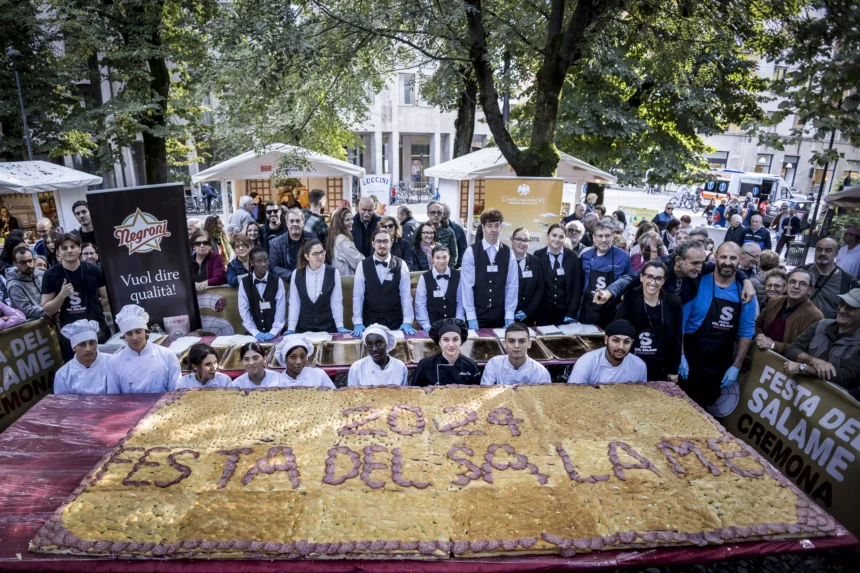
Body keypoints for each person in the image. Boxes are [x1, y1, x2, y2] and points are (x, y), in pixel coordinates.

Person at [680, 242, 756, 409]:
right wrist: (680, 355)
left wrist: (736, 366)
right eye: (723, 257)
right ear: (715, 257)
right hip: (691, 356)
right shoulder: (698, 282)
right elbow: (681, 322)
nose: (727, 262)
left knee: (703, 410)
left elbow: (746, 331)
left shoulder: (746, 293)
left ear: (740, 259)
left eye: (733, 258)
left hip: (719, 362)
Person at [598, 239, 756, 308]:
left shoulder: (699, 267)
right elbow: (629, 278)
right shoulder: (660, 266)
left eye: (701, 263)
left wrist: (746, 281)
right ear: (679, 261)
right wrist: (609, 292)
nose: (700, 268)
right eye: (695, 263)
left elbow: (724, 266)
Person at [40, 233, 109, 359]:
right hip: (70, 333)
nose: (69, 250)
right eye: (64, 248)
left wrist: (92, 307)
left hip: (97, 329)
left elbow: (106, 297)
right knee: (78, 373)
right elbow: (48, 309)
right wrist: (62, 295)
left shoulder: (94, 270)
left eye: (73, 246)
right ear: (58, 253)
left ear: (80, 249)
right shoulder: (50, 275)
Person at [783, 289, 860, 398]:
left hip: (834, 404)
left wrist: (805, 368)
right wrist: (813, 361)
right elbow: (792, 349)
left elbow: (847, 377)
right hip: (802, 393)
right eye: (841, 304)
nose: (842, 310)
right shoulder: (821, 325)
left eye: (850, 308)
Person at [614, 261, 683, 382]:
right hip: (631, 361)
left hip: (660, 365)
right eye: (649, 276)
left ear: (663, 281)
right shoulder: (630, 298)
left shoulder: (674, 302)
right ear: (641, 277)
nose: (653, 282)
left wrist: (673, 369)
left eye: (658, 278)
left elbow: (676, 338)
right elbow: (619, 329)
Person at [461, 209, 518, 329]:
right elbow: (467, 286)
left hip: (500, 313)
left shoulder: (509, 253)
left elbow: (511, 286)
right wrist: (471, 316)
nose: (493, 229)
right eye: (489, 226)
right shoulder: (471, 252)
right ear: (483, 227)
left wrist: (509, 314)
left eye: (496, 225)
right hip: (477, 312)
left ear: (501, 227)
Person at [352, 229, 415, 334]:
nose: (382, 245)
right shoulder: (362, 265)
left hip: (395, 322)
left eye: (385, 241)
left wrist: (407, 320)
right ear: (373, 243)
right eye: (378, 241)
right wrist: (357, 322)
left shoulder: (401, 264)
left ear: (391, 243)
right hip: (370, 322)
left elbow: (406, 296)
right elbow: (358, 296)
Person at [107, 305, 181, 393]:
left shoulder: (167, 355)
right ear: (123, 336)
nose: (134, 337)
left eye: (138, 332)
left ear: (146, 331)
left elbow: (176, 392)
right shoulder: (114, 361)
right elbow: (113, 397)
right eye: (129, 334)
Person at [754, 268, 823, 355]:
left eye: (803, 284)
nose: (796, 286)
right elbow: (757, 325)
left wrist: (774, 345)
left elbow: (806, 349)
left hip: (786, 364)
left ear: (810, 290)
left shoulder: (815, 316)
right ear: (786, 285)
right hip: (760, 354)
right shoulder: (774, 301)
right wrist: (759, 336)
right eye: (792, 282)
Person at [578, 219, 632, 328]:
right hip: (589, 309)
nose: (603, 240)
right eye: (600, 236)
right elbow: (579, 284)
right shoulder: (585, 256)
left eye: (607, 236)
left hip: (612, 309)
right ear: (594, 237)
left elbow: (629, 282)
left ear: (613, 236)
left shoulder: (623, 257)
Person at [286, 239, 346, 334]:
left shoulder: (333, 273)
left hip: (328, 327)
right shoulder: (297, 274)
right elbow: (294, 303)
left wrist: (340, 326)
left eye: (322, 252)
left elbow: (336, 302)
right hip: (304, 328)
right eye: (316, 254)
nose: (321, 256)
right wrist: (291, 328)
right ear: (306, 256)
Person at [568, 319, 648, 384]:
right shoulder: (587, 362)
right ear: (606, 340)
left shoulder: (639, 366)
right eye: (616, 341)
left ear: (632, 343)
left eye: (626, 342)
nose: (621, 347)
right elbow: (574, 394)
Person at [531, 224, 581, 326]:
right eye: (554, 235)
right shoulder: (538, 255)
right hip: (543, 312)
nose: (557, 239)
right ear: (547, 235)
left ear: (565, 238)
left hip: (564, 311)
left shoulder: (573, 257)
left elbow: (577, 286)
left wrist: (572, 312)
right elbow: (535, 285)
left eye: (561, 237)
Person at [411, 318, 481, 386]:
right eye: (446, 340)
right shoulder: (425, 365)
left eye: (455, 339)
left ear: (461, 341)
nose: (451, 344)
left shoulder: (471, 365)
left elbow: (475, 393)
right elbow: (415, 391)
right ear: (440, 342)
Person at [481, 322, 551, 385]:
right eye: (511, 341)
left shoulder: (541, 373)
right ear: (504, 344)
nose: (516, 346)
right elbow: (485, 394)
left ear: (529, 344)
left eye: (522, 341)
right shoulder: (493, 364)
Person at [239, 246, 286, 341]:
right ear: (252, 263)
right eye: (259, 261)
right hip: (253, 333)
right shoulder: (244, 282)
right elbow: (244, 309)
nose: (264, 264)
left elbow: (280, 308)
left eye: (266, 260)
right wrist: (255, 332)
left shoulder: (277, 281)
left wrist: (274, 331)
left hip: (276, 332)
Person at [53, 320, 112, 394]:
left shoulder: (112, 362)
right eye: (82, 344)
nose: (88, 349)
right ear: (73, 347)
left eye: (92, 343)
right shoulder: (63, 374)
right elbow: (62, 403)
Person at [801, 238, 853, 319]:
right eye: (819, 250)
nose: (822, 253)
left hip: (826, 328)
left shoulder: (847, 281)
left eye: (828, 250)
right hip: (798, 324)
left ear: (836, 253)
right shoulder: (802, 271)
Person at [414, 245, 463, 330]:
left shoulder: (457, 275)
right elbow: (420, 304)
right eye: (438, 257)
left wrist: (458, 322)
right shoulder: (425, 277)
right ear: (432, 258)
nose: (441, 261)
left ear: (449, 257)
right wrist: (426, 325)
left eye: (444, 257)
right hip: (432, 325)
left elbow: (460, 302)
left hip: (453, 325)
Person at [268, 208, 317, 282]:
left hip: (311, 280)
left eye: (298, 221)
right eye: (291, 221)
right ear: (287, 223)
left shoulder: (313, 239)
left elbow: (320, 259)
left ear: (303, 222)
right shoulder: (276, 243)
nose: (295, 224)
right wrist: (293, 276)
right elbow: (273, 266)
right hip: (288, 282)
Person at [509, 228, 543, 325]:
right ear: (512, 240)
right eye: (519, 239)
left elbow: (539, 288)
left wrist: (528, 311)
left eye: (525, 240)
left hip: (528, 317)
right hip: (505, 316)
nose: (522, 243)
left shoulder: (535, 261)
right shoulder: (503, 260)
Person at [7, 247, 44, 319]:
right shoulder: (14, 285)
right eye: (23, 262)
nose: (28, 265)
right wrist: (50, 311)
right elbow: (25, 309)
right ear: (15, 264)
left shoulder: (42, 274)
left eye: (30, 261)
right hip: (36, 323)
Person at [328, 207, 364, 276]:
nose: (351, 222)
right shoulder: (342, 241)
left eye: (352, 219)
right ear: (340, 223)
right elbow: (358, 260)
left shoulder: (334, 237)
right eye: (347, 220)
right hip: (346, 281)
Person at [443, 204, 467, 268]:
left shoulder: (457, 228)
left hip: (454, 266)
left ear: (447, 216)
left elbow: (463, 248)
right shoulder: (433, 228)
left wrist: (458, 264)